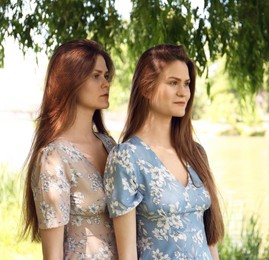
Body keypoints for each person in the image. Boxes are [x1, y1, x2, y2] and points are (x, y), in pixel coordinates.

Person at [104, 44, 224, 259]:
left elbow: (209, 239)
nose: (183, 92)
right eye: (173, 83)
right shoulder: (127, 158)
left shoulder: (195, 153)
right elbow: (127, 254)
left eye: (186, 84)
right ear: (146, 88)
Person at [21, 39, 118, 259]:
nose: (105, 83)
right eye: (96, 76)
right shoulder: (53, 157)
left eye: (106, 76)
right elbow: (52, 254)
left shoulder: (110, 145)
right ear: (70, 82)